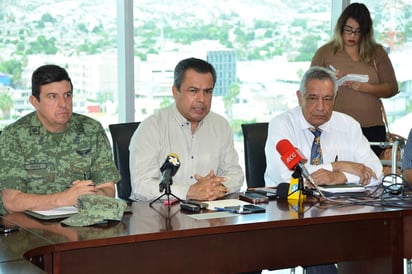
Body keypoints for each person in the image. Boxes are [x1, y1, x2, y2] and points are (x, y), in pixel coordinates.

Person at [265, 66, 383, 274]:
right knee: (319, 250)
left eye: (328, 99)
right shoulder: (282, 125)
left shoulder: (348, 125)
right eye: (313, 98)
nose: (321, 106)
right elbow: (290, 177)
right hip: (291, 215)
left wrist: (337, 176)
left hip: (340, 213)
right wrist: (338, 165)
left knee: (378, 239)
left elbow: (375, 173)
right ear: (299, 97)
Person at [0, 64, 120, 215]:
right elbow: (11, 201)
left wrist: (91, 194)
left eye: (67, 95)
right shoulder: (14, 135)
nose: (63, 104)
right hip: (29, 230)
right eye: (52, 97)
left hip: (81, 224)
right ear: (34, 102)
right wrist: (64, 198)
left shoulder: (91, 129)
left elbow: (108, 188)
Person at [129, 57, 244, 201]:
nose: (202, 99)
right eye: (193, 91)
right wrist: (190, 191)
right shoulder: (152, 127)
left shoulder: (220, 125)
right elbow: (141, 186)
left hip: (209, 214)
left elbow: (235, 174)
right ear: (175, 91)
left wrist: (213, 187)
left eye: (208, 91)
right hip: (160, 216)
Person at [310, 3, 398, 157]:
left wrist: (366, 88)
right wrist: (329, 79)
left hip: (371, 127)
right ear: (340, 27)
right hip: (335, 127)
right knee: (337, 171)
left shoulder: (377, 53)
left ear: (366, 32)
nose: (352, 36)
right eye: (348, 30)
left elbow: (392, 87)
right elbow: (309, 87)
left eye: (358, 32)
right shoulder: (325, 52)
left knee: (370, 174)